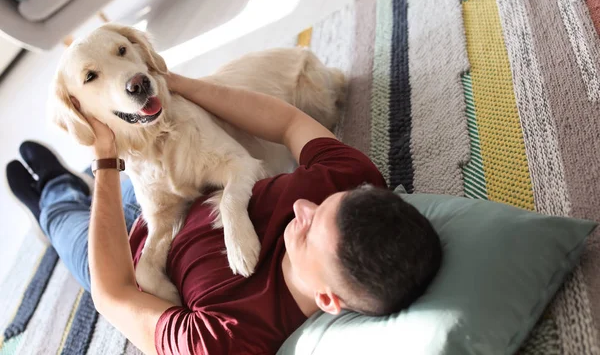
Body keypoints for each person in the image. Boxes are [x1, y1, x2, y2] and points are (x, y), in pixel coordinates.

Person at [6, 73, 442, 355]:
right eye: (322, 205)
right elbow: (288, 122)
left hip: (136, 257)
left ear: (328, 300)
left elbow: (114, 293)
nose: (301, 208)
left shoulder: (226, 338)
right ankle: (69, 185)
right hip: (187, 183)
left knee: (67, 225)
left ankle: (54, 195)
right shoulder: (349, 180)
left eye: (309, 230)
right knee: (135, 160)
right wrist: (176, 84)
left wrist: (104, 160)